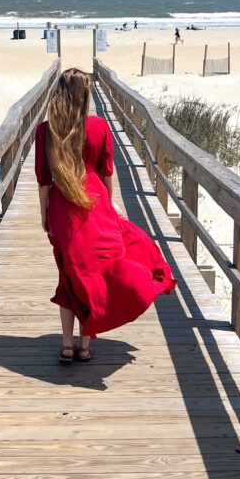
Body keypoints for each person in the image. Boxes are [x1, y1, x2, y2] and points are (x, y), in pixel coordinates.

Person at [35, 68, 176, 362]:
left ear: (59, 95)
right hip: (95, 204)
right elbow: (107, 173)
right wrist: (109, 208)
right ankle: (85, 344)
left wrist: (44, 216)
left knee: (69, 273)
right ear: (86, 97)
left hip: (62, 210)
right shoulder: (99, 127)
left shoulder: (46, 131)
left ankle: (66, 345)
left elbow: (44, 181)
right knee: (96, 271)